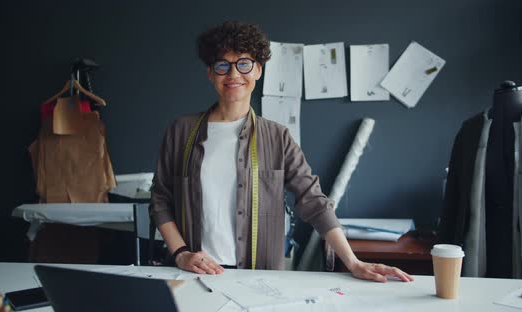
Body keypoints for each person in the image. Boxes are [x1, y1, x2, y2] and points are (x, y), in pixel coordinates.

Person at [150, 21, 413, 283]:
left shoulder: (277, 137)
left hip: (258, 278)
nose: (233, 74)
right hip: (193, 273)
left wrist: (353, 262)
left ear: (258, 70)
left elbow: (314, 201)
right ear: (210, 72)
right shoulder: (182, 131)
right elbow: (161, 200)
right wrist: (182, 253)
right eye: (222, 65)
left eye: (244, 63)